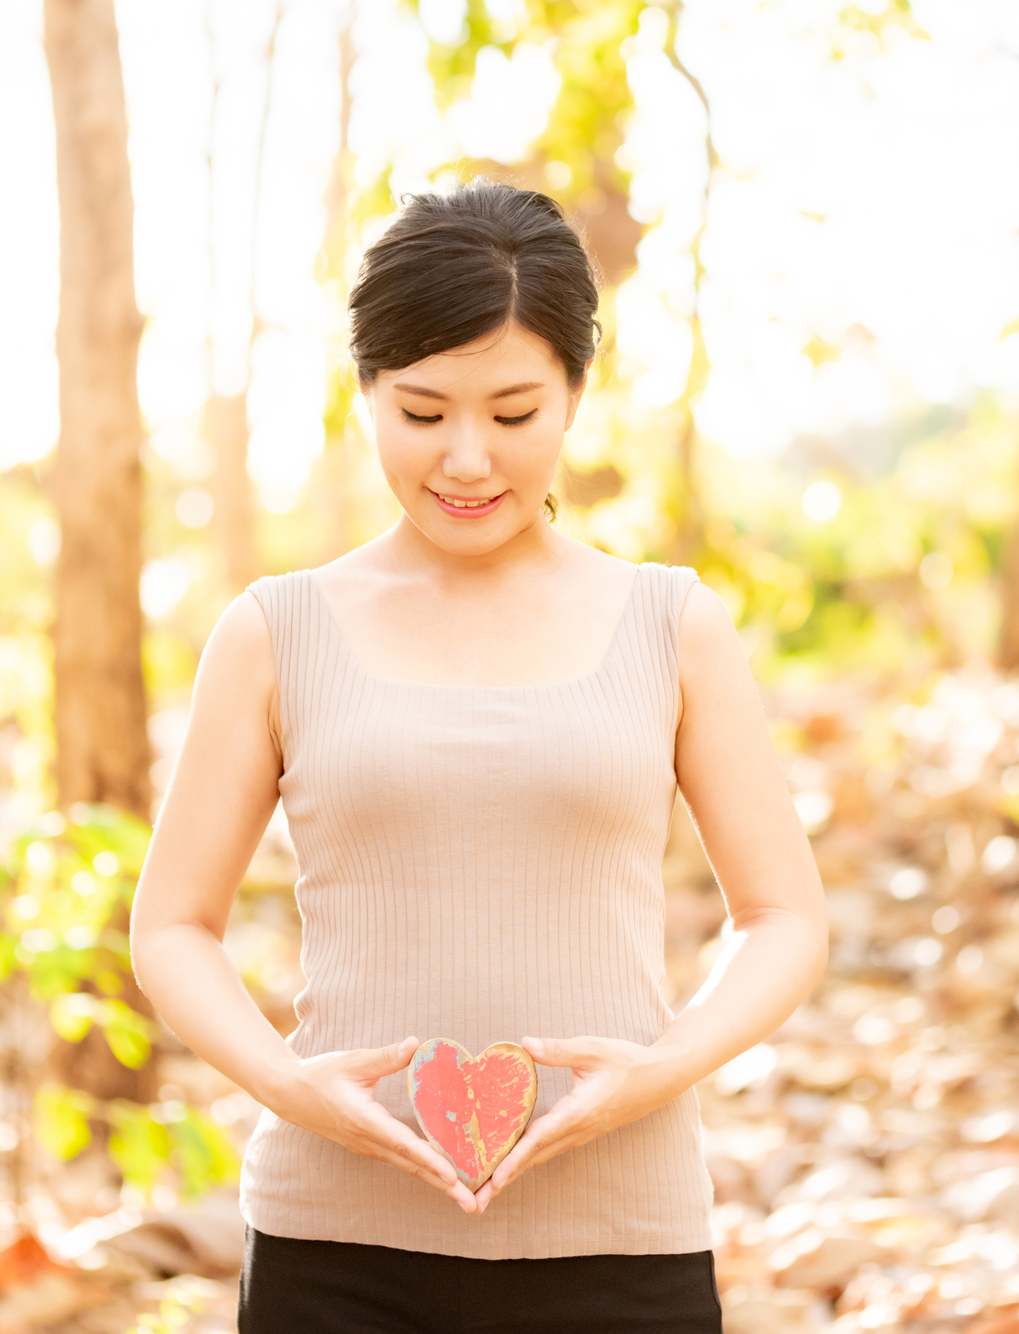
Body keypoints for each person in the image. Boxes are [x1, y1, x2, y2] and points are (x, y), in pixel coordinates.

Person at [129, 181, 828, 1333]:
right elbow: (169, 925)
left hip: (622, 1240)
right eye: (420, 411)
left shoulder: (669, 623)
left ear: (573, 396)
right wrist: (286, 1082)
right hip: (334, 1246)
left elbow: (784, 915)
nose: (464, 459)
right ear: (364, 393)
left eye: (511, 413)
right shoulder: (274, 630)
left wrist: (661, 1066)